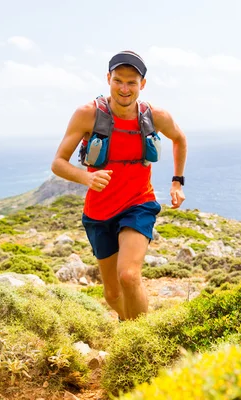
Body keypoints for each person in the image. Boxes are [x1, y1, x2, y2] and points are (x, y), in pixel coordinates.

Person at [51, 50, 187, 321]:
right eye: (118, 81)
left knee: (129, 275)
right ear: (108, 79)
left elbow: (180, 139)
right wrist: (86, 178)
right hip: (99, 212)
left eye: (132, 82)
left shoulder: (155, 116)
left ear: (142, 85)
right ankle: (129, 330)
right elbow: (58, 163)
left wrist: (177, 182)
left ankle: (143, 342)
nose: (124, 88)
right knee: (112, 295)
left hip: (138, 204)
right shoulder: (87, 114)